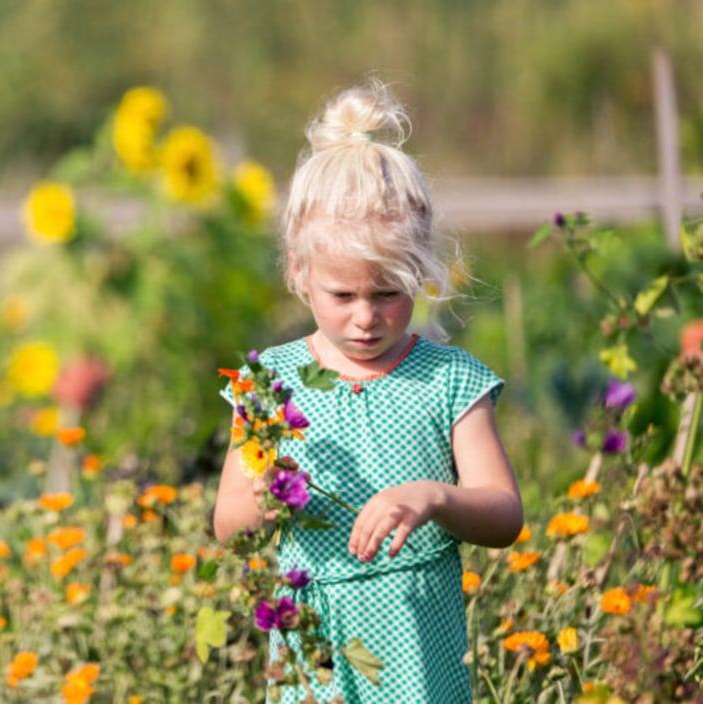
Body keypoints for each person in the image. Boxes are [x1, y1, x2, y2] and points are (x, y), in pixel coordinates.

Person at [213, 80, 524, 703]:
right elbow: (229, 525)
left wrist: (435, 496)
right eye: (343, 296)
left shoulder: (448, 379)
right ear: (299, 274)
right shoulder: (269, 383)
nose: (365, 317)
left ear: (420, 273)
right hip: (316, 637)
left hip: (418, 638)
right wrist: (269, 492)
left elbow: (504, 513)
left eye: (387, 294)